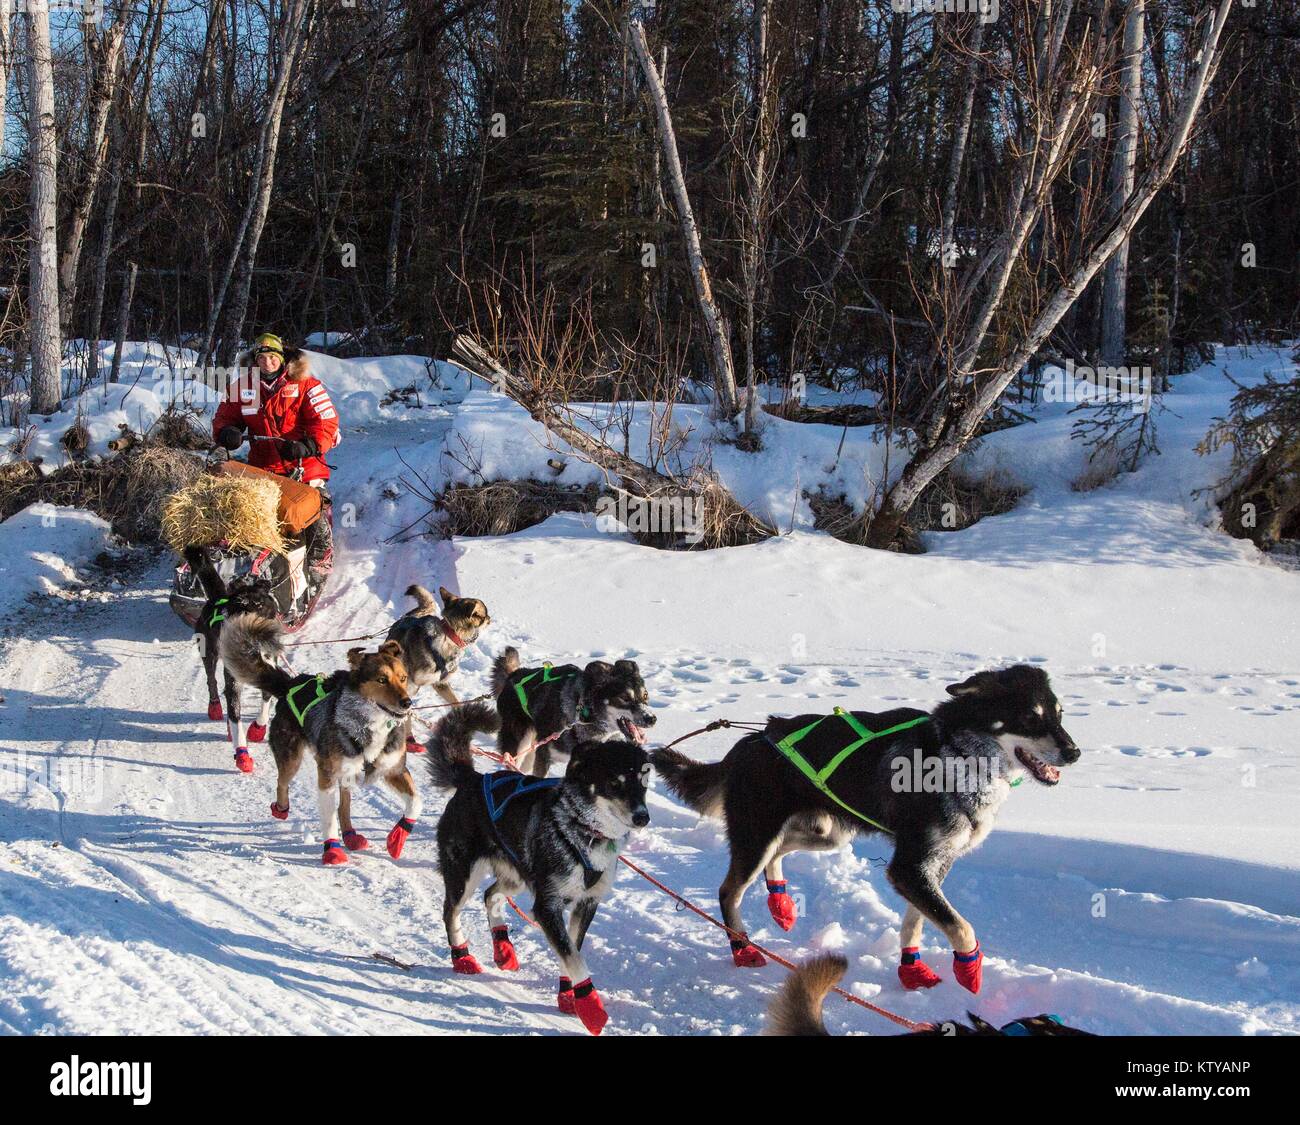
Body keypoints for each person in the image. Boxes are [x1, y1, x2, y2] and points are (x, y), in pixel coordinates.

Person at [211, 332, 338, 577]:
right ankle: (246, 562)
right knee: (244, 509)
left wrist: (309, 445)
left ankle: (321, 554)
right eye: (261, 357)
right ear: (254, 360)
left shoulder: (306, 385)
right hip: (263, 466)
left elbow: (326, 422)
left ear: (282, 358)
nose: (267, 362)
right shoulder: (242, 387)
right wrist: (228, 433)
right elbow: (224, 417)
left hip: (304, 464)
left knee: (313, 503)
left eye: (272, 357)